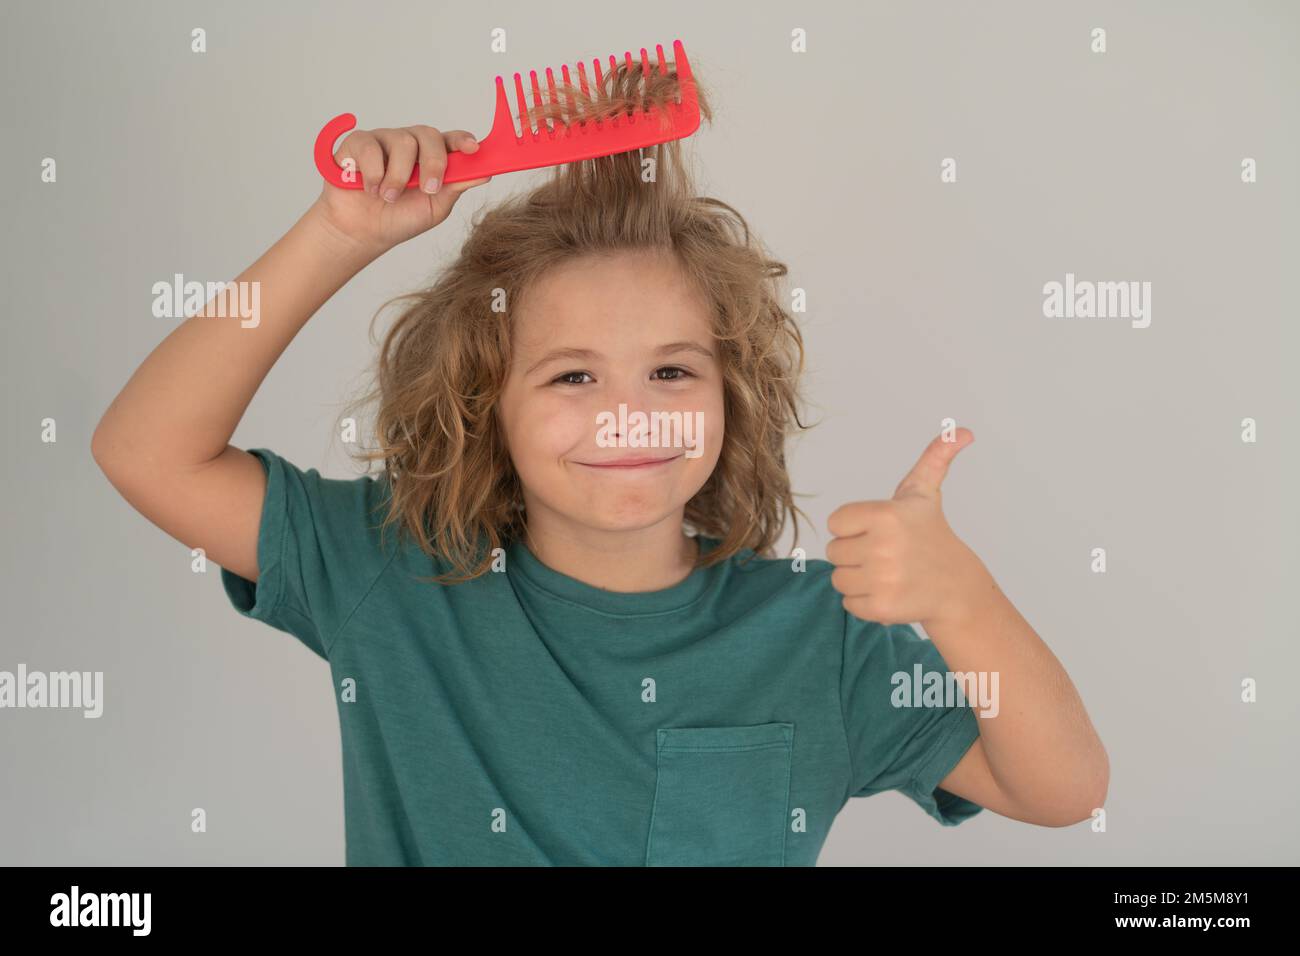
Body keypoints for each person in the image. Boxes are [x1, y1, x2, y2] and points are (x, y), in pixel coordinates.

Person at [92, 58, 1107, 865]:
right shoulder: (389, 574)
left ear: (730, 398)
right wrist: (337, 232)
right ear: (487, 409)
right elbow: (145, 450)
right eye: (572, 377)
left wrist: (963, 598)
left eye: (670, 371)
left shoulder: (823, 637)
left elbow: (1061, 789)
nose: (626, 415)